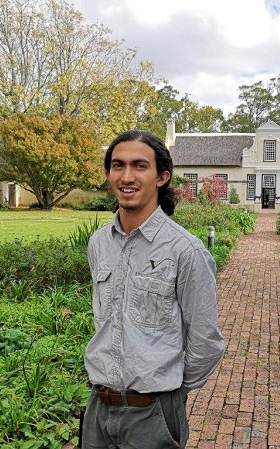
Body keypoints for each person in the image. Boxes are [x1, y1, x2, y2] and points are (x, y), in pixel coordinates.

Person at [82, 130, 225, 448]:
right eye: (117, 165)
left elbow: (206, 342)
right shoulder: (99, 243)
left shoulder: (185, 250)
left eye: (139, 166)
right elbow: (104, 319)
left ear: (162, 177)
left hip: (153, 416)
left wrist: (170, 393)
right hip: (98, 411)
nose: (126, 176)